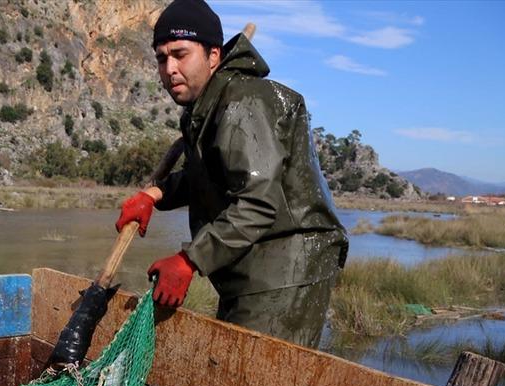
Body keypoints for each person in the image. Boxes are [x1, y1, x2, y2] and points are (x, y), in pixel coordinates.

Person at [116, 0, 348, 348]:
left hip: (285, 273)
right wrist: (155, 195)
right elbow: (208, 177)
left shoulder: (242, 103)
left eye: (180, 54)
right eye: (162, 58)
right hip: (250, 270)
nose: (170, 68)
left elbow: (257, 204)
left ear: (213, 56)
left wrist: (188, 260)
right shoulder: (204, 108)